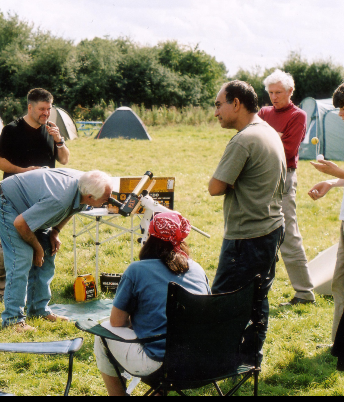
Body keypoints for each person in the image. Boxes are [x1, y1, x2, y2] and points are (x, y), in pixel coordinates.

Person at [208, 80, 286, 365]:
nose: (216, 112)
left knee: (224, 299)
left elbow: (215, 187)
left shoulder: (244, 139)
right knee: (256, 297)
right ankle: (249, 357)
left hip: (248, 236)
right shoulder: (268, 131)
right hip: (270, 228)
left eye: (219, 105)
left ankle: (217, 361)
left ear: (236, 104)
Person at [94, 211, 210, 396]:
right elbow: (206, 314)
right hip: (203, 362)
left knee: (102, 333)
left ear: (149, 236)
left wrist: (138, 320)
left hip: (161, 365)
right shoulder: (197, 268)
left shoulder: (136, 270)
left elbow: (116, 322)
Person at [0, 168, 112, 332]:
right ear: (90, 196)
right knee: (22, 258)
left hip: (35, 204)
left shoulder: (84, 187)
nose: (109, 201)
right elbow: (21, 224)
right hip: (8, 202)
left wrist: (55, 231)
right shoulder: (60, 198)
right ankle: (12, 321)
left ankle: (39, 311)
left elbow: (74, 208)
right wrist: (36, 248)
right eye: (105, 199)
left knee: (48, 249)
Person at [0, 88, 70, 303]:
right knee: (10, 240)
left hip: (42, 197)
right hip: (14, 195)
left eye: (49, 109)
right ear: (30, 107)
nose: (46, 114)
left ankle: (33, 290)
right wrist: (24, 171)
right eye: (42, 109)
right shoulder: (12, 130)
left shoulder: (51, 129)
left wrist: (59, 141)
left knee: (39, 240)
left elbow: (64, 161)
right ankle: (0, 290)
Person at [308, 78, 344, 343]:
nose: (339, 114)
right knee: (340, 282)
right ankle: (341, 341)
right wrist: (332, 181)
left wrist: (336, 171)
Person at [258, 69, 315, 306]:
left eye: (279, 92)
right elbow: (250, 141)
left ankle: (304, 294)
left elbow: (289, 150)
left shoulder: (298, 115)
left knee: (288, 234)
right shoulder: (263, 112)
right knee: (258, 232)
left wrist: (266, 138)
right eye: (270, 92)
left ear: (291, 92)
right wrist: (276, 136)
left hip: (284, 176)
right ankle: (254, 290)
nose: (274, 97)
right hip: (260, 176)